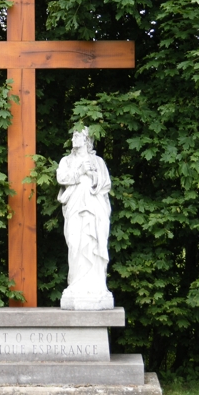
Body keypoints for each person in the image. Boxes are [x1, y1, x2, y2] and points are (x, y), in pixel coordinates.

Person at [56, 127, 113, 309]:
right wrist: (80, 171)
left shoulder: (98, 161)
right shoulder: (66, 161)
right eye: (73, 135)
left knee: (93, 243)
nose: (75, 138)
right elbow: (61, 177)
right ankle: (76, 285)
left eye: (78, 135)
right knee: (75, 244)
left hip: (94, 210)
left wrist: (93, 176)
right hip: (74, 207)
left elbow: (105, 184)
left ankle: (95, 286)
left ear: (87, 141)